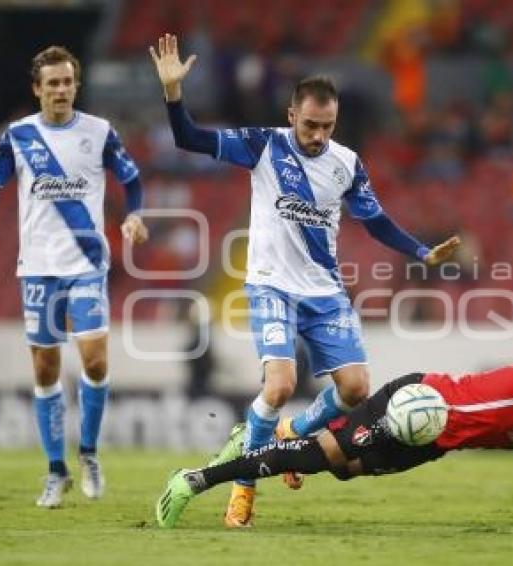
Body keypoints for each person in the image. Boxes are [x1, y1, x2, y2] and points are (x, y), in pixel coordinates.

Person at [149, 33, 460, 527]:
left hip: (325, 292)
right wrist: (173, 94)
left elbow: (375, 221)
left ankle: (293, 430)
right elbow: (189, 138)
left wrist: (420, 250)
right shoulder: (262, 146)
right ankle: (244, 490)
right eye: (310, 124)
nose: (318, 135)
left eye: (327, 126)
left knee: (357, 389)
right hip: (271, 285)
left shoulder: (347, 164)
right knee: (278, 385)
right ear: (291, 114)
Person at [156, 340, 513, 530]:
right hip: (417, 401)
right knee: (323, 453)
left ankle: (274, 440)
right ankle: (198, 478)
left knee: (342, 467)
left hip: (432, 441)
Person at [0, 46, 149, 508]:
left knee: (95, 359)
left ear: (76, 86)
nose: (61, 90)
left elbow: (133, 179)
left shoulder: (98, 132)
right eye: (52, 83)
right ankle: (56, 470)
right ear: (37, 89)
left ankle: (89, 453)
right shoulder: (18, 137)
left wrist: (135, 216)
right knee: (45, 368)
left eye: (67, 82)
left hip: (86, 263)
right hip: (38, 267)